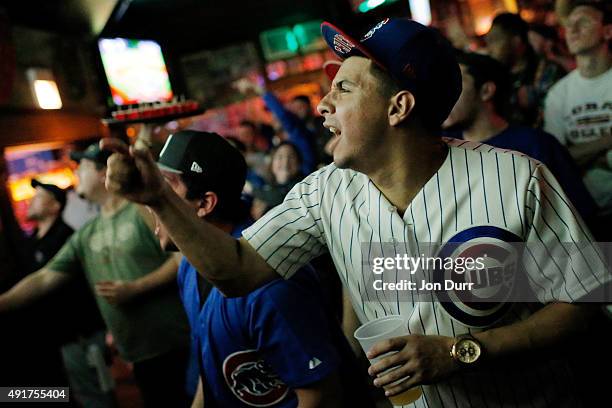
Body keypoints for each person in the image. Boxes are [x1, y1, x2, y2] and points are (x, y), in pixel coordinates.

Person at [103, 18, 610, 407]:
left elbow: (581, 305)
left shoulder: (514, 179)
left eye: (343, 88)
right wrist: (159, 199)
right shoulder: (326, 193)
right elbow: (235, 271)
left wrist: (460, 351)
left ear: (399, 107)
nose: (323, 104)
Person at [152, 130, 372, 407]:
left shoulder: (271, 286)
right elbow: (210, 368)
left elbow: (321, 398)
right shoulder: (190, 265)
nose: (153, 204)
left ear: (205, 203)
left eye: (166, 187)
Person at [0, 143, 192, 407]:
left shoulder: (140, 211)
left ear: (104, 173)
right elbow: (45, 278)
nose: (76, 173)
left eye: (83, 167)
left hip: (176, 344)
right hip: (137, 355)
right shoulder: (87, 233)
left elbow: (182, 258)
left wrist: (136, 288)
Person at [442, 51, 598, 229]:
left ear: (486, 91)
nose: (443, 92)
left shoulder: (536, 145)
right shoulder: (442, 148)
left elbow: (579, 216)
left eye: (456, 82)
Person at [26, 179, 115, 407]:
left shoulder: (67, 237)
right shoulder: (30, 243)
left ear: (55, 206)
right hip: (55, 339)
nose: (31, 199)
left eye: (39, 196)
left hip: (80, 335)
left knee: (94, 396)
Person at [544, 1, 612, 232]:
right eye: (568, 25)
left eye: (582, 22)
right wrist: (606, 142)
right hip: (587, 215)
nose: (571, 30)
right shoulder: (558, 93)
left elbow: (570, 155)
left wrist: (581, 152)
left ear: (607, 31)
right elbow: (557, 159)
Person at [486, 12, 565, 127]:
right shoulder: (493, 76)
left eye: (495, 40)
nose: (490, 48)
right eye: (488, 41)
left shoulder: (546, 70)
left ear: (516, 40)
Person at [251, 141, 305, 219]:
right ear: (272, 163)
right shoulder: (267, 186)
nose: (285, 162)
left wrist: (253, 191)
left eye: (291, 157)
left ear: (299, 162)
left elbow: (279, 198)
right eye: (280, 157)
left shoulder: (304, 184)